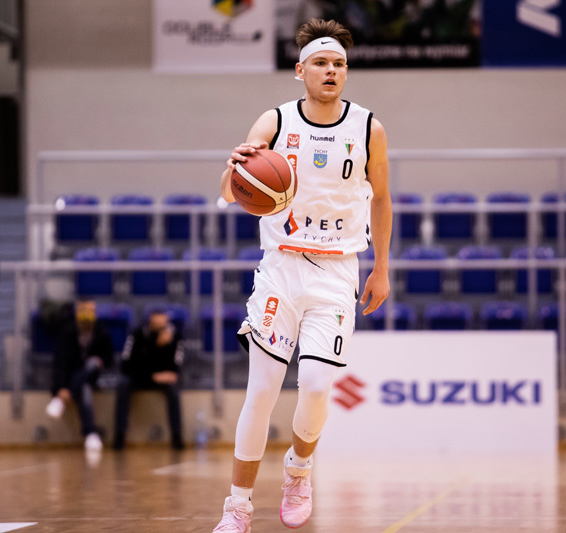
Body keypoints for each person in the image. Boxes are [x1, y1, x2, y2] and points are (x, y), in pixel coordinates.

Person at [213, 18, 392, 531]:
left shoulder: (369, 128)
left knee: (315, 386)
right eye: (321, 63)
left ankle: (298, 469)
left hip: (337, 271)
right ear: (300, 70)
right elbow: (229, 192)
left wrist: (381, 267)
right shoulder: (273, 121)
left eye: (339, 63)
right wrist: (234, 168)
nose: (331, 70)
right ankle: (237, 508)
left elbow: (382, 199)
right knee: (262, 391)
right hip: (281, 268)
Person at [46, 299, 114, 453]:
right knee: (84, 389)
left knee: (91, 363)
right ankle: (90, 433)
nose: (87, 314)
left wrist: (101, 361)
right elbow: (60, 361)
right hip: (72, 376)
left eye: (90, 310)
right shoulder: (67, 331)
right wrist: (60, 387)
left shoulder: (101, 330)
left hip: (94, 375)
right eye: (83, 310)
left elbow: (109, 357)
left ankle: (60, 401)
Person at [113, 309, 184, 450]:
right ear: (150, 322)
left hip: (161, 379)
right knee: (123, 385)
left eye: (162, 325)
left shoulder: (175, 337)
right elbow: (125, 366)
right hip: (140, 377)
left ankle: (177, 436)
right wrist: (152, 374)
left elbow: (174, 369)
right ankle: (119, 435)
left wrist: (165, 347)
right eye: (156, 325)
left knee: (173, 390)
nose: (160, 328)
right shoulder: (137, 335)